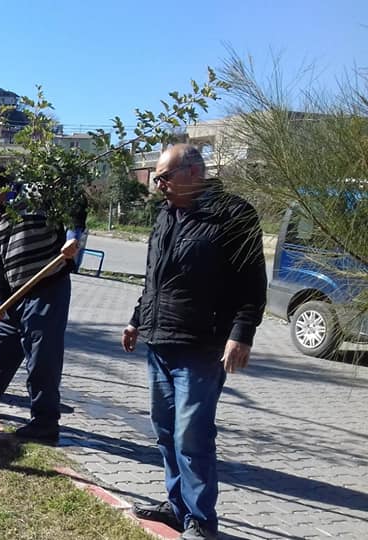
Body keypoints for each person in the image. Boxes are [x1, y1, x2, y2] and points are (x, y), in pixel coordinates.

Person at [122, 145, 266, 540]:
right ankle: (178, 507)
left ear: (192, 171)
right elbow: (155, 276)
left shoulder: (234, 215)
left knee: (192, 435)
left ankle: (201, 520)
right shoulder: (167, 213)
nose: (158, 184)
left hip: (203, 347)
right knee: (166, 431)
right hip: (159, 341)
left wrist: (242, 335)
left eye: (164, 177)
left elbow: (252, 285)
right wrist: (137, 319)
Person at [0, 165, 85, 443]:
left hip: (47, 288)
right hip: (15, 295)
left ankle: (45, 423)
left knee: (41, 357)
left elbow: (75, 201)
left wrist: (73, 237)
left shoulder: (36, 194)